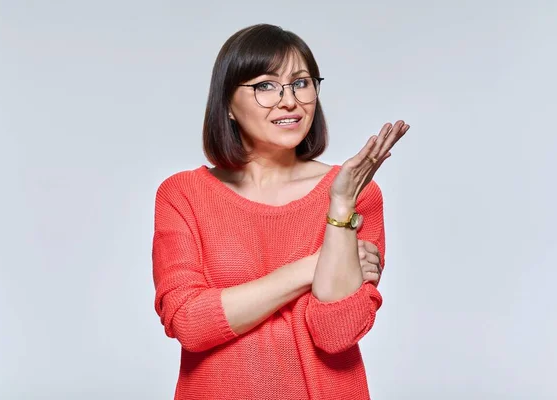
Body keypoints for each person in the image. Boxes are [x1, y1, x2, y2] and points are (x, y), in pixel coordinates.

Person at [151, 23, 409, 400]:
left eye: (301, 83)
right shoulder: (183, 195)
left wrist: (339, 207)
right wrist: (314, 266)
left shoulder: (356, 194)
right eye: (265, 86)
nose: (289, 101)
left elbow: (335, 333)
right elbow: (190, 323)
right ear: (227, 105)